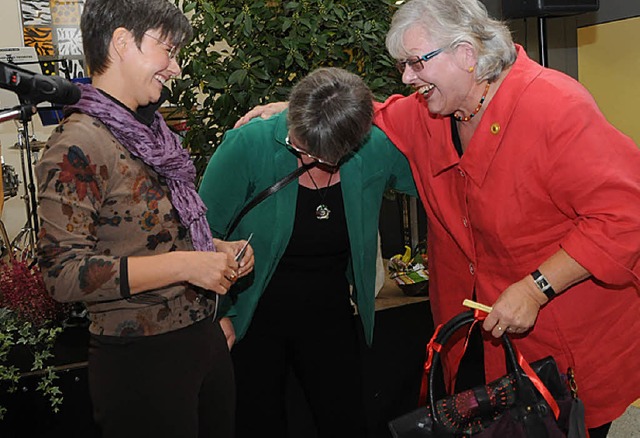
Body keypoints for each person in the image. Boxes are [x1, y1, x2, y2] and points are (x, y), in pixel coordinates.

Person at [235, 1, 640, 436]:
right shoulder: (428, 113)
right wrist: (296, 109)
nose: (407, 77)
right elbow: (374, 110)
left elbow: (625, 215)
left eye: (416, 62)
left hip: (562, 344)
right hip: (469, 339)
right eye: (403, 65)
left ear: (466, 54)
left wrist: (536, 287)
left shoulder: (555, 107)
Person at [35, 1, 254, 437]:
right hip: (140, 359)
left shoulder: (156, 135)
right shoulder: (78, 144)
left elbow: (153, 233)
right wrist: (187, 265)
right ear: (121, 42)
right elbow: (62, 275)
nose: (173, 67)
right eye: (167, 50)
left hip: (202, 339)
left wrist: (214, 249)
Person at [198, 67, 417, 437]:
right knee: (258, 420)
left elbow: (434, 175)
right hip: (252, 313)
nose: (298, 151)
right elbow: (201, 234)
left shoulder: (373, 149)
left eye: (312, 151)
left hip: (329, 311)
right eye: (295, 142)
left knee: (345, 418)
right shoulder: (249, 145)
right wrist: (218, 314)